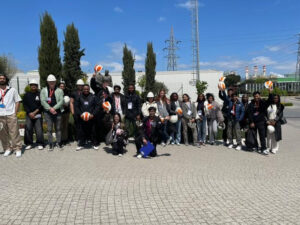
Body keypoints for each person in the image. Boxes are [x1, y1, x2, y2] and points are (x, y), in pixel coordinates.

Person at [0, 73, 22, 157]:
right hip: (0, 114)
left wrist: (15, 113)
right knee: (2, 133)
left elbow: (17, 101)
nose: (1, 80)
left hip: (10, 114)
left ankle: (17, 148)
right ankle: (7, 148)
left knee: (14, 132)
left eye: (3, 78)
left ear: (6, 80)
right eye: (0, 78)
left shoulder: (12, 90)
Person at [40, 74, 64, 150]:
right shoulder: (43, 90)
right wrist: (50, 109)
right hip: (48, 112)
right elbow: (42, 101)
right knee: (49, 129)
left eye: (53, 81)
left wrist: (54, 108)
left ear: (55, 81)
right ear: (47, 82)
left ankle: (59, 142)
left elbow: (61, 101)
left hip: (57, 112)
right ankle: (51, 144)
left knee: (58, 129)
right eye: (50, 81)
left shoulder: (59, 90)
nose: (51, 83)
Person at [75, 84, 99, 150]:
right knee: (81, 131)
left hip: (91, 117)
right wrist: (80, 114)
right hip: (82, 118)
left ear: (89, 89)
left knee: (93, 131)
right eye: (85, 89)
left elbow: (97, 106)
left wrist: (93, 114)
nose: (86, 90)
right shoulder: (79, 97)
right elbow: (76, 107)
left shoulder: (93, 96)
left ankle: (94, 144)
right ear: (82, 89)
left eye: (87, 89)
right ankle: (81, 144)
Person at [23, 79, 44, 150]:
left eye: (35, 85)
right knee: (28, 129)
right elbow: (25, 105)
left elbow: (42, 105)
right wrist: (29, 113)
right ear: (30, 86)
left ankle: (40, 143)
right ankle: (29, 143)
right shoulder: (26, 95)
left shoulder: (40, 94)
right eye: (32, 85)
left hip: (38, 114)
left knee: (39, 129)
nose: (33, 86)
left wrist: (35, 112)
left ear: (37, 86)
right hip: (29, 115)